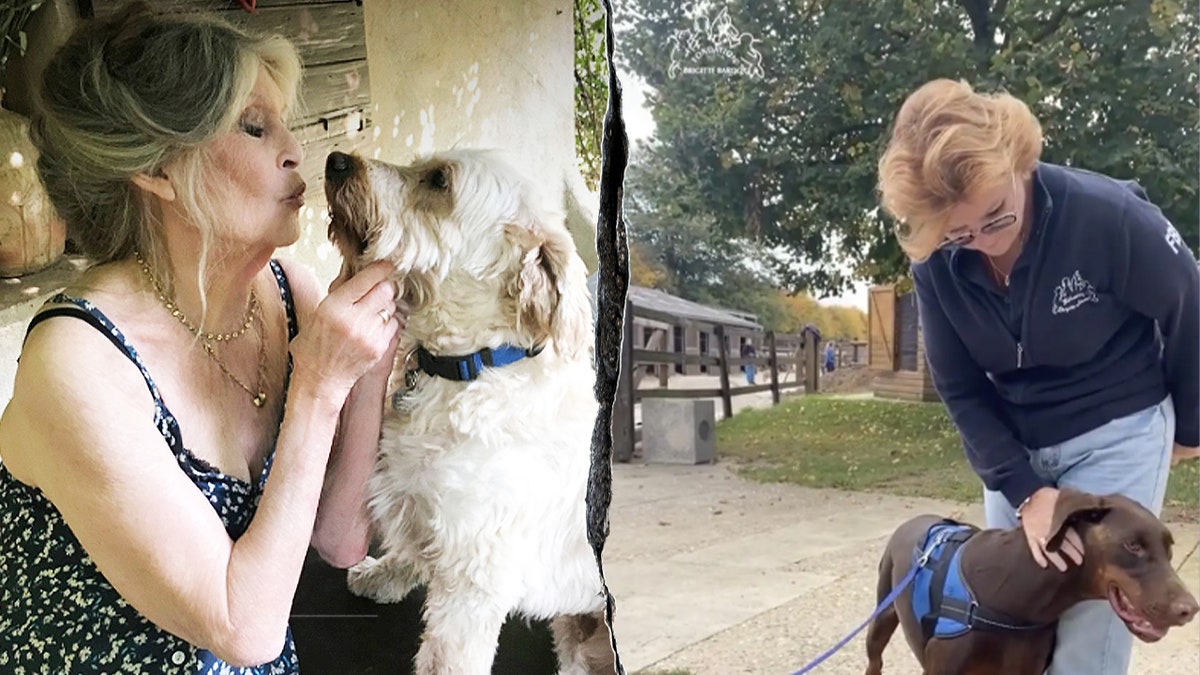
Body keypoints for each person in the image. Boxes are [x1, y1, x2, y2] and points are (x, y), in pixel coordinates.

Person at [0, 4, 401, 672]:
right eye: (254, 126)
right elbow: (242, 628)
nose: (295, 149)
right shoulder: (76, 360)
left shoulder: (289, 294)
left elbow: (340, 540)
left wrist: (372, 363)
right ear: (159, 170)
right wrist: (319, 385)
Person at [876, 77, 1199, 675]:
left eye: (995, 217)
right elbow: (960, 387)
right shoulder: (935, 262)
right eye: (958, 234)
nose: (981, 244)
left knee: (1086, 640)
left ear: (1018, 161)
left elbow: (1189, 303)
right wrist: (1022, 488)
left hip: (1117, 425)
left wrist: (1192, 426)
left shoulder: (1108, 216)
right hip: (1017, 441)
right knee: (1010, 619)